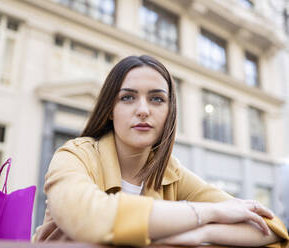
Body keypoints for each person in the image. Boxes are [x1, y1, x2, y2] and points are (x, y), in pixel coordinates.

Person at [32, 55, 289, 247]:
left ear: (169, 111)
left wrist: (203, 233)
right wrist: (208, 213)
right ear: (110, 109)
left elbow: (271, 227)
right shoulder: (75, 156)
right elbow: (90, 219)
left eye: (156, 99)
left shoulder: (171, 173)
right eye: (128, 97)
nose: (143, 109)